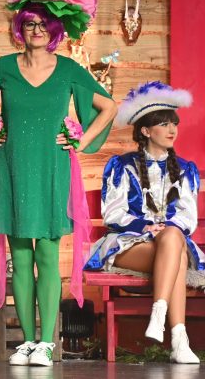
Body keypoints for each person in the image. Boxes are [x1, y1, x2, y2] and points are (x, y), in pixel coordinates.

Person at [0, 0, 116, 367]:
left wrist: (81, 138)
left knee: (47, 255)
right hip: (12, 168)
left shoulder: (68, 70)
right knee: (21, 258)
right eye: (29, 23)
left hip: (52, 169)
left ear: (55, 29)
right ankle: (28, 342)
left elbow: (107, 106)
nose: (36, 29)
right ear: (20, 27)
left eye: (43, 24)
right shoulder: (2, 67)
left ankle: (46, 342)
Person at [85, 82, 203, 365]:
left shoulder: (185, 169)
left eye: (174, 123)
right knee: (175, 254)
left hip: (169, 242)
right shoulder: (122, 165)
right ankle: (178, 338)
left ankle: (159, 315)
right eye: (164, 124)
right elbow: (113, 213)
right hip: (131, 243)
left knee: (173, 239)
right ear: (146, 131)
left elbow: (187, 215)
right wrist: (145, 226)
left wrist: (166, 228)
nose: (172, 130)